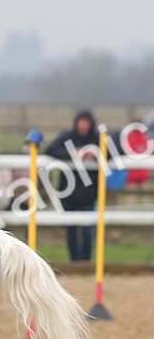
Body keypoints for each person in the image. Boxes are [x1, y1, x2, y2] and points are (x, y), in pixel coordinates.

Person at [44, 110, 101, 262]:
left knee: (88, 230)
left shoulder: (97, 138)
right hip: (67, 192)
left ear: (91, 123)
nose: (83, 125)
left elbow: (111, 153)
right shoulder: (67, 136)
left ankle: (86, 262)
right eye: (80, 121)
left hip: (89, 192)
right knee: (71, 230)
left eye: (86, 121)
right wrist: (72, 153)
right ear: (76, 123)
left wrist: (95, 154)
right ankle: (74, 262)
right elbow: (50, 150)